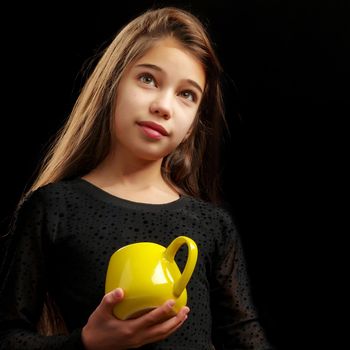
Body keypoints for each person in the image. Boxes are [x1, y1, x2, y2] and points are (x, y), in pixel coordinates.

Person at [0, 6, 274, 350]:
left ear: (193, 126)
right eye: (148, 79)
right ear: (111, 85)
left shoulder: (211, 225)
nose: (164, 105)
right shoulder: (53, 208)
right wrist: (86, 342)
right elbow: (7, 337)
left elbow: (245, 336)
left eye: (186, 94)